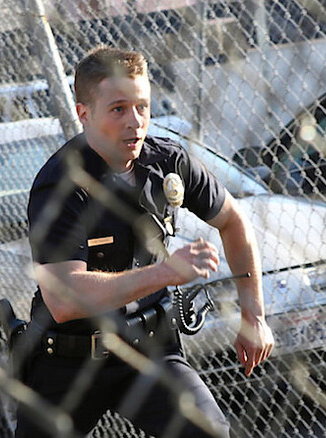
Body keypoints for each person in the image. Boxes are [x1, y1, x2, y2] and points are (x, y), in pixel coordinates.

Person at [18, 46, 274, 438]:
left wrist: (253, 315)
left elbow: (234, 221)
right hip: (69, 358)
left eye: (143, 107)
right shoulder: (60, 184)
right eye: (118, 109)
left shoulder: (167, 161)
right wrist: (164, 273)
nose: (135, 121)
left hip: (150, 347)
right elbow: (64, 300)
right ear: (84, 113)